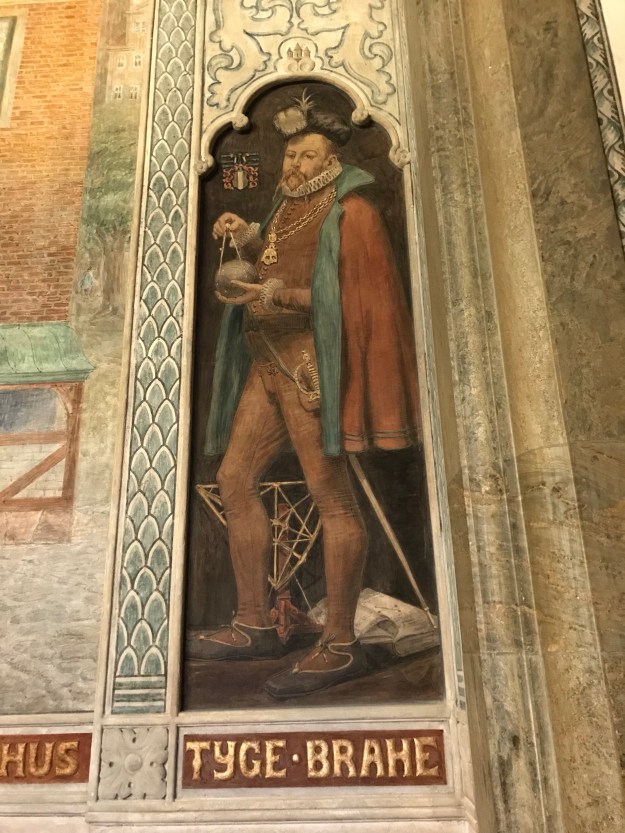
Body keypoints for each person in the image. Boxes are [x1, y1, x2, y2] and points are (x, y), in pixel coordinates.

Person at [194, 92, 421, 698]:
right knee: (234, 479)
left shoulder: (353, 211)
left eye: (307, 155)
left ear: (331, 159)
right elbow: (275, 256)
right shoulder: (288, 203)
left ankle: (340, 643)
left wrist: (276, 295)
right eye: (290, 154)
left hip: (313, 371)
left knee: (333, 500)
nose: (294, 165)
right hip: (268, 361)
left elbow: (354, 300)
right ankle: (254, 622)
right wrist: (245, 239)